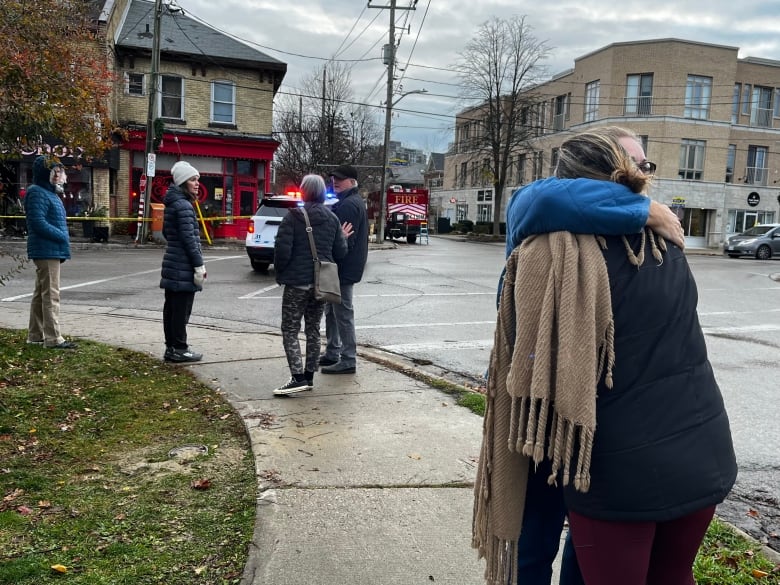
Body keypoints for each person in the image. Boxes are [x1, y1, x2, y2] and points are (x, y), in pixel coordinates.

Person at [473, 127, 737, 585]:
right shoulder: (556, 229)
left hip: (596, 431)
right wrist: (641, 209)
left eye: (644, 166)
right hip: (545, 409)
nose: (640, 174)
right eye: (632, 165)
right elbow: (537, 200)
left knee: (582, 539)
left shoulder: (642, 241)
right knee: (536, 539)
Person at [272, 174, 348, 395]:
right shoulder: (332, 218)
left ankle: (296, 377)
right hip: (320, 284)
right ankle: (309, 376)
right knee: (313, 329)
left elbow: (282, 251)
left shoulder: (293, 217)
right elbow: (340, 252)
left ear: (303, 192)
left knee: (290, 329)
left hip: (296, 283)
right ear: (323, 193)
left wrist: (280, 273)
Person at [319, 164, 368, 375]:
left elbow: (344, 243)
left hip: (343, 268)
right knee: (332, 310)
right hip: (346, 267)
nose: (335, 182)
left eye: (339, 179)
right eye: (333, 179)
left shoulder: (348, 205)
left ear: (351, 181)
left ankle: (348, 359)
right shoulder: (349, 201)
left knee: (342, 312)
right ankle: (333, 351)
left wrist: (332, 242)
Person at [24, 154, 77, 349]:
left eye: (61, 171)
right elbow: (37, 222)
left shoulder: (50, 193)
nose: (60, 175)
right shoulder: (37, 192)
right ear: (46, 173)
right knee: (51, 294)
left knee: (41, 293)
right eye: (56, 171)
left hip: (50, 249)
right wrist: (62, 236)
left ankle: (36, 334)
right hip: (46, 250)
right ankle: (53, 338)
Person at [160, 161, 206, 363]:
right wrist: (199, 265)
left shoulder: (172, 204)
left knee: (171, 308)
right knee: (181, 310)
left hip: (172, 263)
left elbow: (166, 233)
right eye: (193, 180)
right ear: (182, 182)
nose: (197, 183)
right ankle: (180, 348)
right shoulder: (185, 206)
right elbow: (190, 240)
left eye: (197, 179)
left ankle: (171, 347)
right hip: (183, 266)